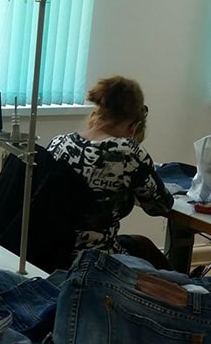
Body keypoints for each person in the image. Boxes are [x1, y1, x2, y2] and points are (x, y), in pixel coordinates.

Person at [46, 75, 174, 269]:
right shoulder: (127, 151)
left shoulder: (60, 142)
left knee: (139, 242)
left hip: (50, 251)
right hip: (95, 260)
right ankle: (181, 289)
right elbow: (160, 206)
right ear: (134, 125)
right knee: (147, 250)